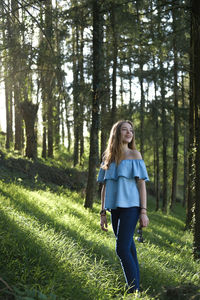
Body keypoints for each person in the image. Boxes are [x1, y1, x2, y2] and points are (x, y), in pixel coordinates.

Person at [97, 120, 149, 294]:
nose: (129, 133)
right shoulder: (108, 158)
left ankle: (132, 290)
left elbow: (141, 185)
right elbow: (104, 186)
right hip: (114, 209)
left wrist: (143, 212)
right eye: (125, 130)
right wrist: (102, 212)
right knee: (129, 248)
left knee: (121, 249)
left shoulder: (135, 155)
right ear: (117, 133)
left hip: (132, 208)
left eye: (131, 131)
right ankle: (137, 291)